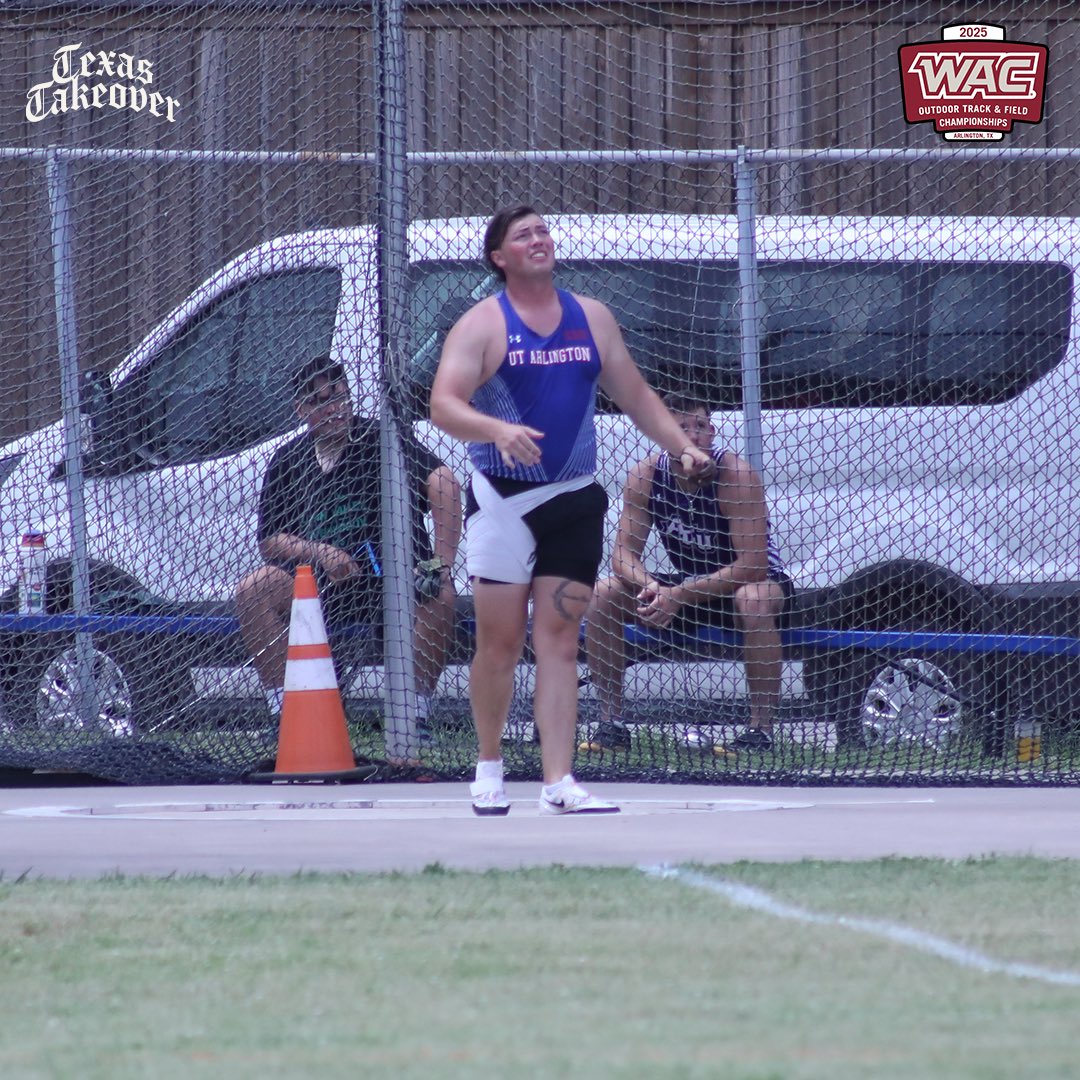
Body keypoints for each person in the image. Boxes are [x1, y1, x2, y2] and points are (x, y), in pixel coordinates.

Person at [429, 206, 715, 817]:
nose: (539, 240)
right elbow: (444, 406)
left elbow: (635, 394)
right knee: (500, 645)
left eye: (543, 231)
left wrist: (682, 446)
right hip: (503, 504)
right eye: (523, 235)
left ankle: (559, 781)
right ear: (499, 258)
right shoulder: (482, 325)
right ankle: (488, 766)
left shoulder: (592, 318)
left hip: (573, 501)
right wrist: (496, 430)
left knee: (559, 642)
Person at [236, 356, 461, 749]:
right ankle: (287, 715)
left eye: (339, 397)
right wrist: (320, 552)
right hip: (319, 585)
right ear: (301, 409)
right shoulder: (289, 459)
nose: (333, 409)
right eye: (319, 401)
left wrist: (438, 564)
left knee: (440, 593)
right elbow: (270, 539)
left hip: (392, 580)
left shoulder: (383, 439)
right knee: (253, 588)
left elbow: (444, 483)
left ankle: (416, 715)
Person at [584, 392, 791, 755]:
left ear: (712, 433)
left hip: (748, 585)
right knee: (603, 593)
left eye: (701, 426)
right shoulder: (647, 475)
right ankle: (611, 725)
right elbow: (623, 554)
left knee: (753, 598)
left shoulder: (736, 475)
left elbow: (753, 564)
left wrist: (677, 595)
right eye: (682, 427)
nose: (694, 435)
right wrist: (651, 587)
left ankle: (760, 731)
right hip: (687, 588)